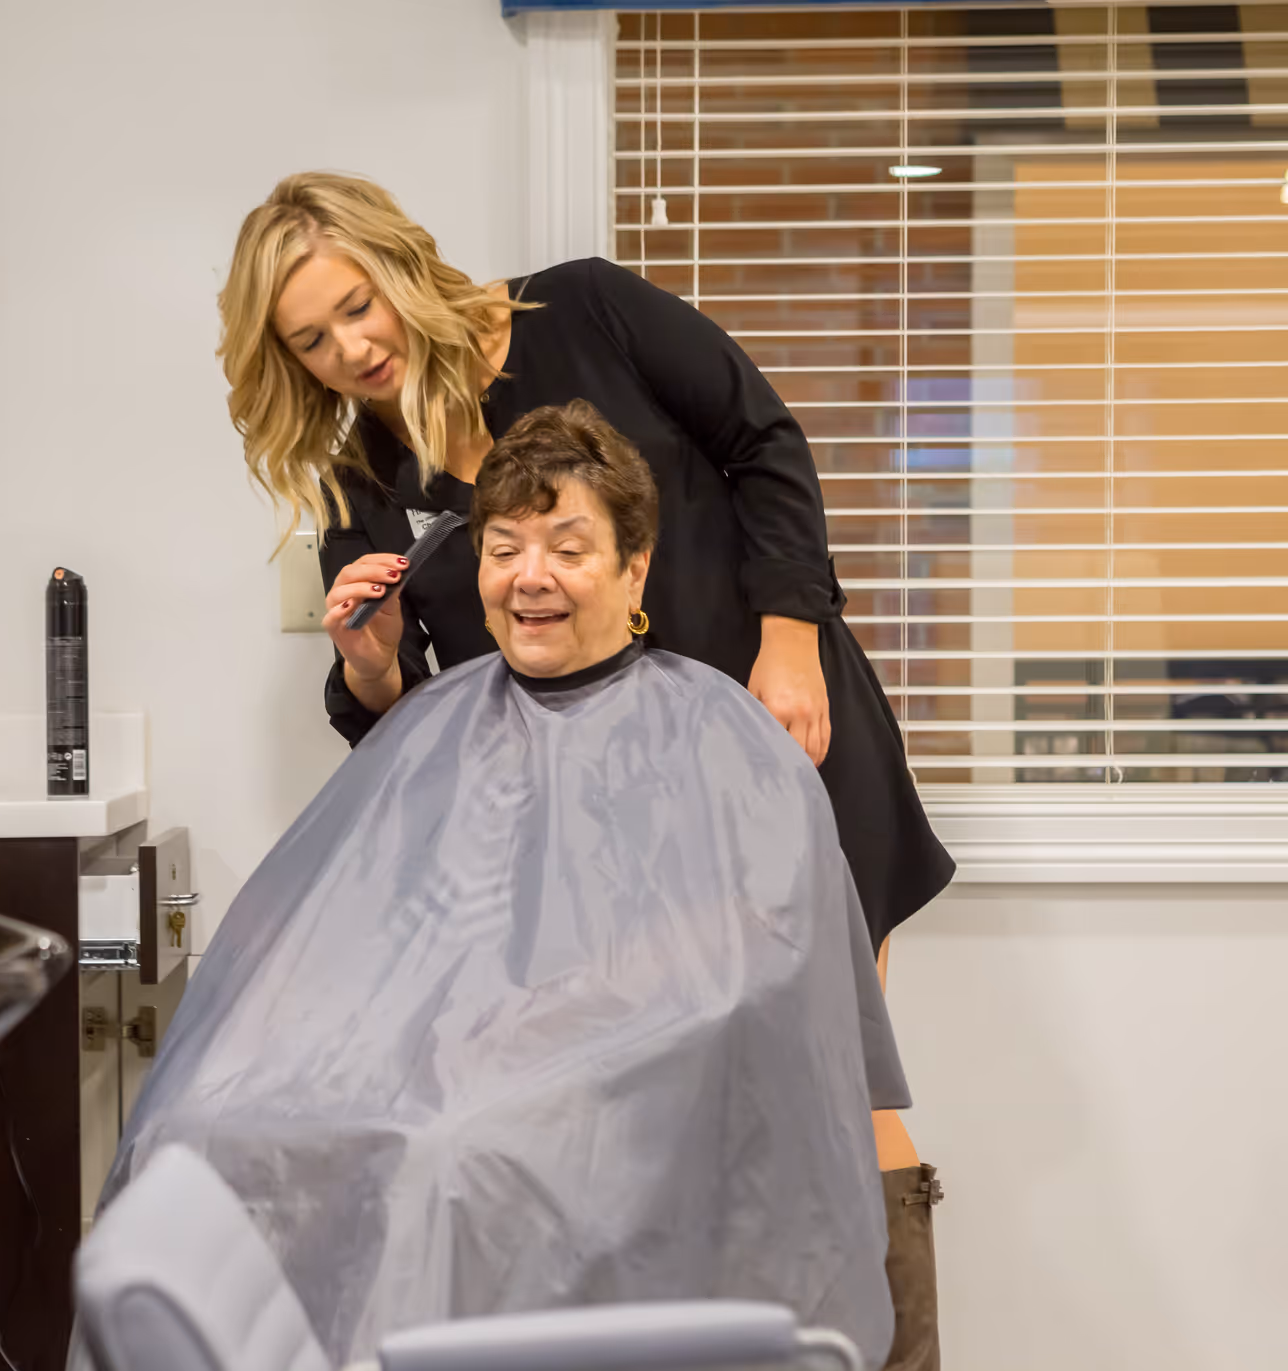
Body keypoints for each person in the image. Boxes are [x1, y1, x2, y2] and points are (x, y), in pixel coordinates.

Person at [217, 172, 952, 1370]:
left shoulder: (583, 314)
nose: (352, 347)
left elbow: (762, 439)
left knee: (828, 1101)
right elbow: (408, 714)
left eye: (359, 305)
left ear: (402, 268)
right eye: (311, 339)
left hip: (778, 751)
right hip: (601, 831)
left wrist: (792, 637)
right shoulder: (365, 476)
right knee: (646, 1130)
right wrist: (364, 665)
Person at [101, 403, 908, 1368]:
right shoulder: (432, 723)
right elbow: (345, 936)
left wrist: (536, 1049)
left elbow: (747, 978)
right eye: (503, 547)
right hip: (424, 1074)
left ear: (633, 568)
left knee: (451, 1157)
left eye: (567, 546)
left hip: (608, 1098)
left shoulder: (720, 733)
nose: (530, 575)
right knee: (191, 1132)